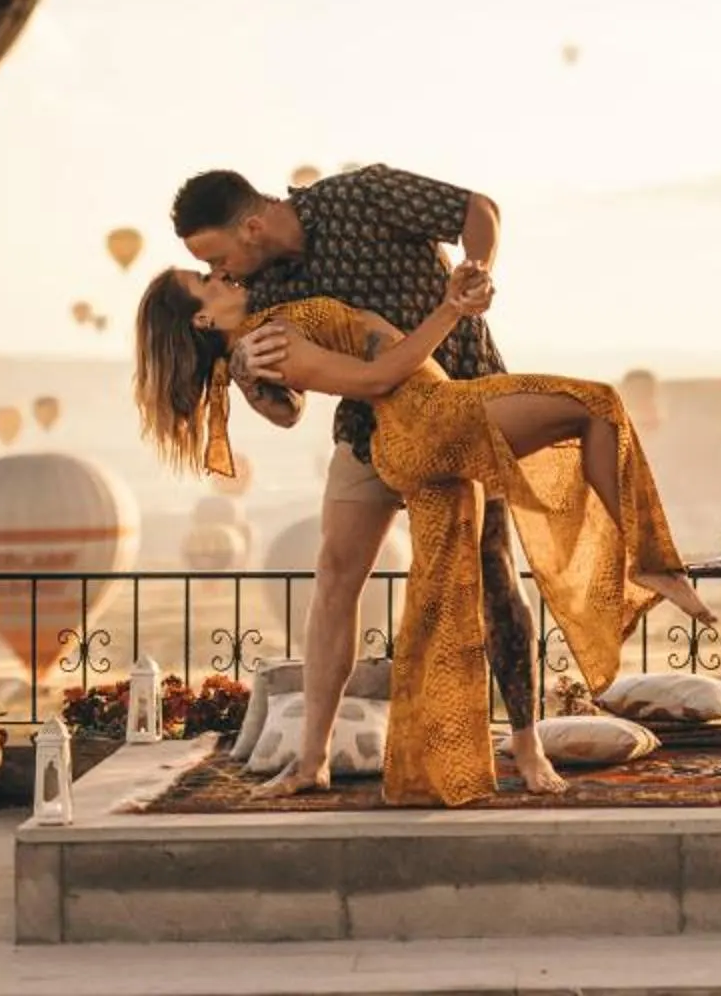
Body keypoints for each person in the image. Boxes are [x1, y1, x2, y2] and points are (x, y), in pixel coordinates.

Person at [134, 256, 709, 804]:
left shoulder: (262, 330)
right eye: (204, 280)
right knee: (598, 405)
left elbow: (290, 401)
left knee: (446, 600)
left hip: (426, 421)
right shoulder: (271, 342)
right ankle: (648, 561)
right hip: (432, 421)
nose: (220, 276)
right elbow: (378, 374)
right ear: (203, 318)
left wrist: (240, 370)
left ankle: (404, 765)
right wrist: (450, 309)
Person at [165, 165, 551, 794]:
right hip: (370, 429)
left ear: (254, 225)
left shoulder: (361, 194)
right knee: (334, 577)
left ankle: (528, 747)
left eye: (220, 256)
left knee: (494, 571)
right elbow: (289, 412)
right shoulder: (263, 293)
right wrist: (245, 373)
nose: (224, 273)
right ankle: (311, 760)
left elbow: (476, 209)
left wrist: (476, 269)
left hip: (464, 406)